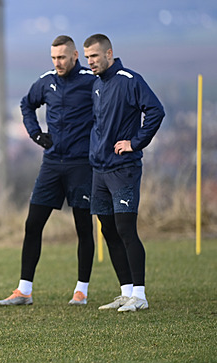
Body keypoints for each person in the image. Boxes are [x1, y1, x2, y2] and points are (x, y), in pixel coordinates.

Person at [0, 35, 96, 307]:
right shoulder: (46, 81)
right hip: (52, 164)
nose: (57, 63)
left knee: (83, 227)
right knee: (32, 225)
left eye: (62, 57)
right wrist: (35, 134)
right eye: (53, 58)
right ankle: (24, 290)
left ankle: (81, 290)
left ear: (76, 55)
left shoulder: (91, 80)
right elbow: (26, 105)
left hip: (81, 165)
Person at [82, 34, 165, 312]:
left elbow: (155, 111)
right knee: (108, 230)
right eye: (87, 57)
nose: (90, 62)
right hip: (99, 170)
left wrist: (135, 143)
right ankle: (126, 292)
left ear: (109, 53)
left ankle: (140, 296)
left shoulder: (131, 80)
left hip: (124, 170)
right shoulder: (96, 86)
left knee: (126, 229)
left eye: (94, 56)